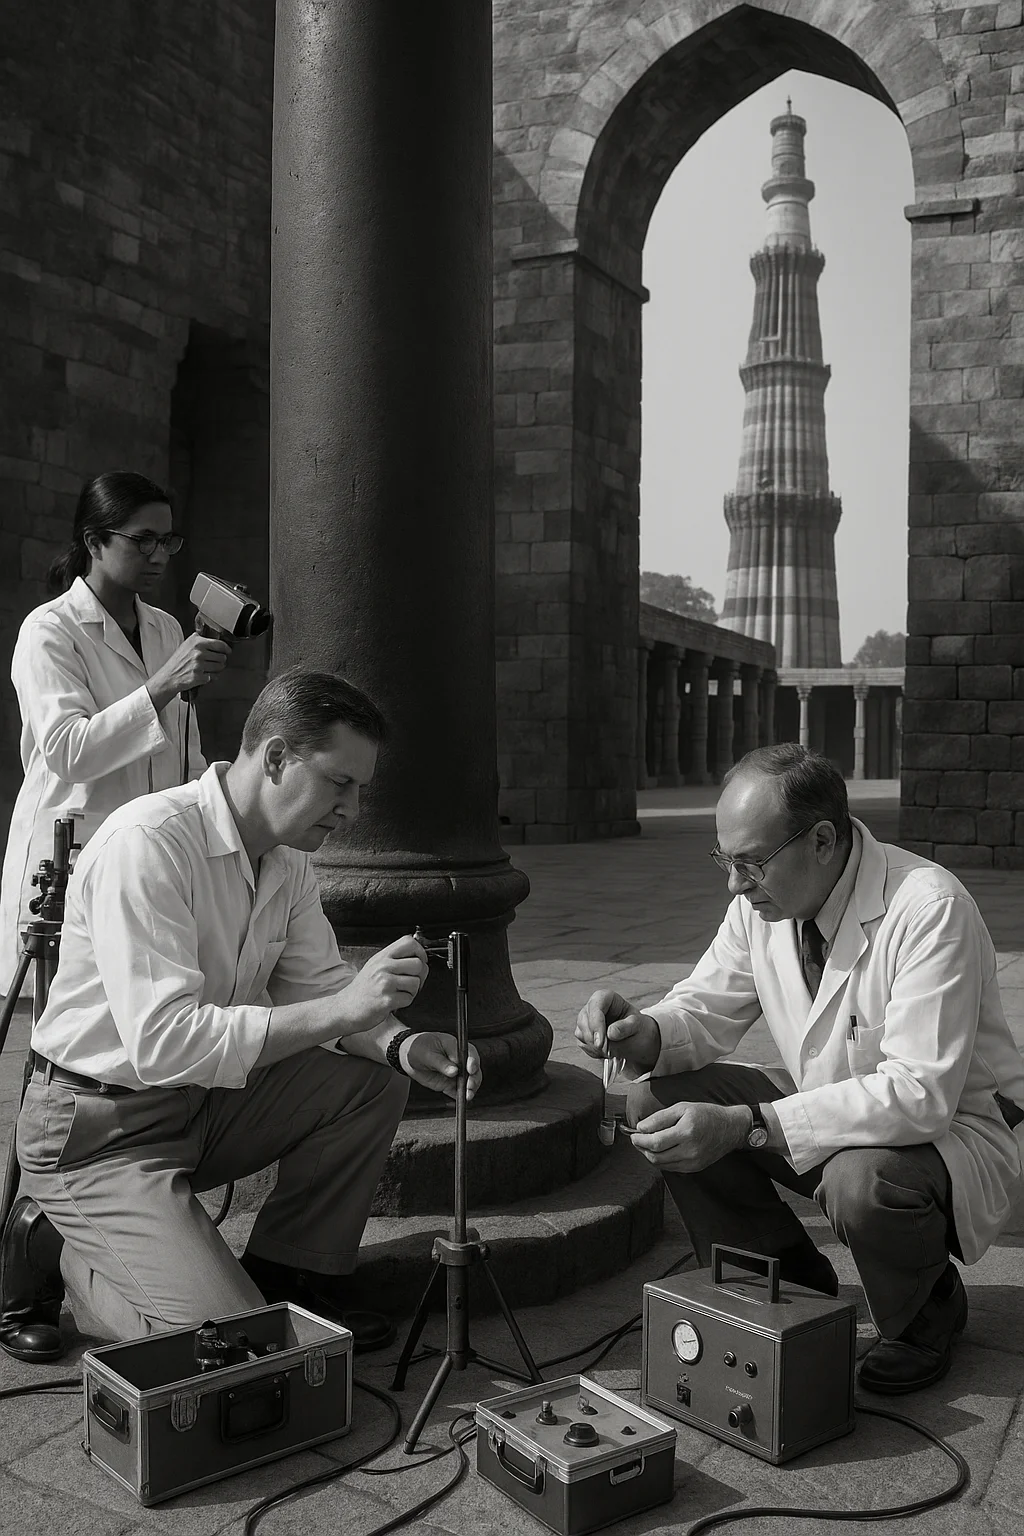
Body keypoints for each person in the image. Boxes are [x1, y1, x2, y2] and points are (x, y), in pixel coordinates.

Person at [0, 668, 480, 1362]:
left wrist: (401, 1044)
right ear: (277, 756)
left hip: (198, 1105)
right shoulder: (150, 842)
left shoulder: (285, 858)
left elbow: (315, 982)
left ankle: (292, 1275)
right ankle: (67, 1246)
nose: (351, 809)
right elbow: (163, 1042)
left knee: (372, 1084)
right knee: (227, 1349)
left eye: (360, 790)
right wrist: (345, 1007)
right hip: (94, 1129)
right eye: (339, 783)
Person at [576, 743, 1024, 1396]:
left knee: (858, 1183)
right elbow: (703, 1010)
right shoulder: (761, 904)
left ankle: (925, 1309)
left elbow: (921, 1094)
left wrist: (745, 1124)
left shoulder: (929, 908)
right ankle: (781, 1285)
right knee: (655, 1102)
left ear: (820, 840)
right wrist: (642, 1032)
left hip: (950, 1134)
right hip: (827, 1106)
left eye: (750, 864)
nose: (734, 884)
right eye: (725, 862)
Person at [0, 470, 232, 994]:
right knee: (60, 1030)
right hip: (68, 855)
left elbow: (183, 753)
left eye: (167, 540)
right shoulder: (49, 631)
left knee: (137, 1012)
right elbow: (67, 751)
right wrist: (163, 683)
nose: (158, 555)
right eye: (141, 539)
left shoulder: (166, 627)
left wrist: (214, 818)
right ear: (94, 541)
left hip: (146, 860)